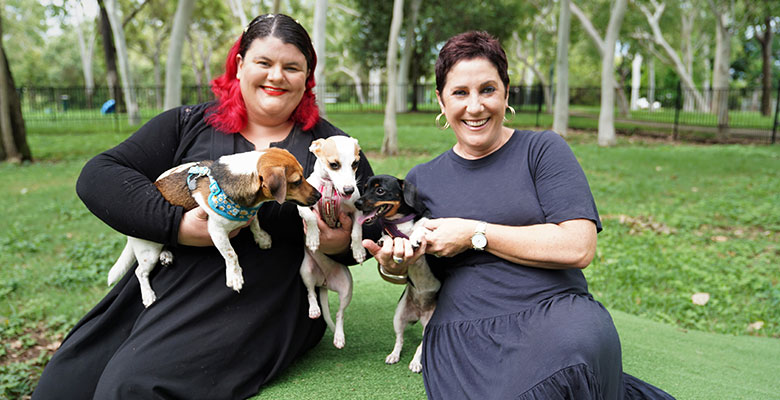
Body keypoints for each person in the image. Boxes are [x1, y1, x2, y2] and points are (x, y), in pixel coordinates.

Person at [33, 14, 376, 400]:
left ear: (307, 77)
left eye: (292, 67)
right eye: (264, 63)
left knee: (131, 389)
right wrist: (175, 225)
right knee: (63, 386)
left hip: (259, 296)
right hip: (167, 280)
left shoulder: (332, 150)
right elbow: (99, 175)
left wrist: (336, 243)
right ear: (240, 65)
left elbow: (370, 227)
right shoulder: (189, 124)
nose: (276, 76)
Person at [363, 31, 674, 399]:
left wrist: (475, 233)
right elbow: (411, 268)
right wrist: (396, 266)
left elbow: (578, 247)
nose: (475, 106)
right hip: (464, 325)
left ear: (506, 93)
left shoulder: (543, 150)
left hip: (555, 308)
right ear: (441, 101)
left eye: (487, 90)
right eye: (460, 93)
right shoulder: (421, 179)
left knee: (573, 360)